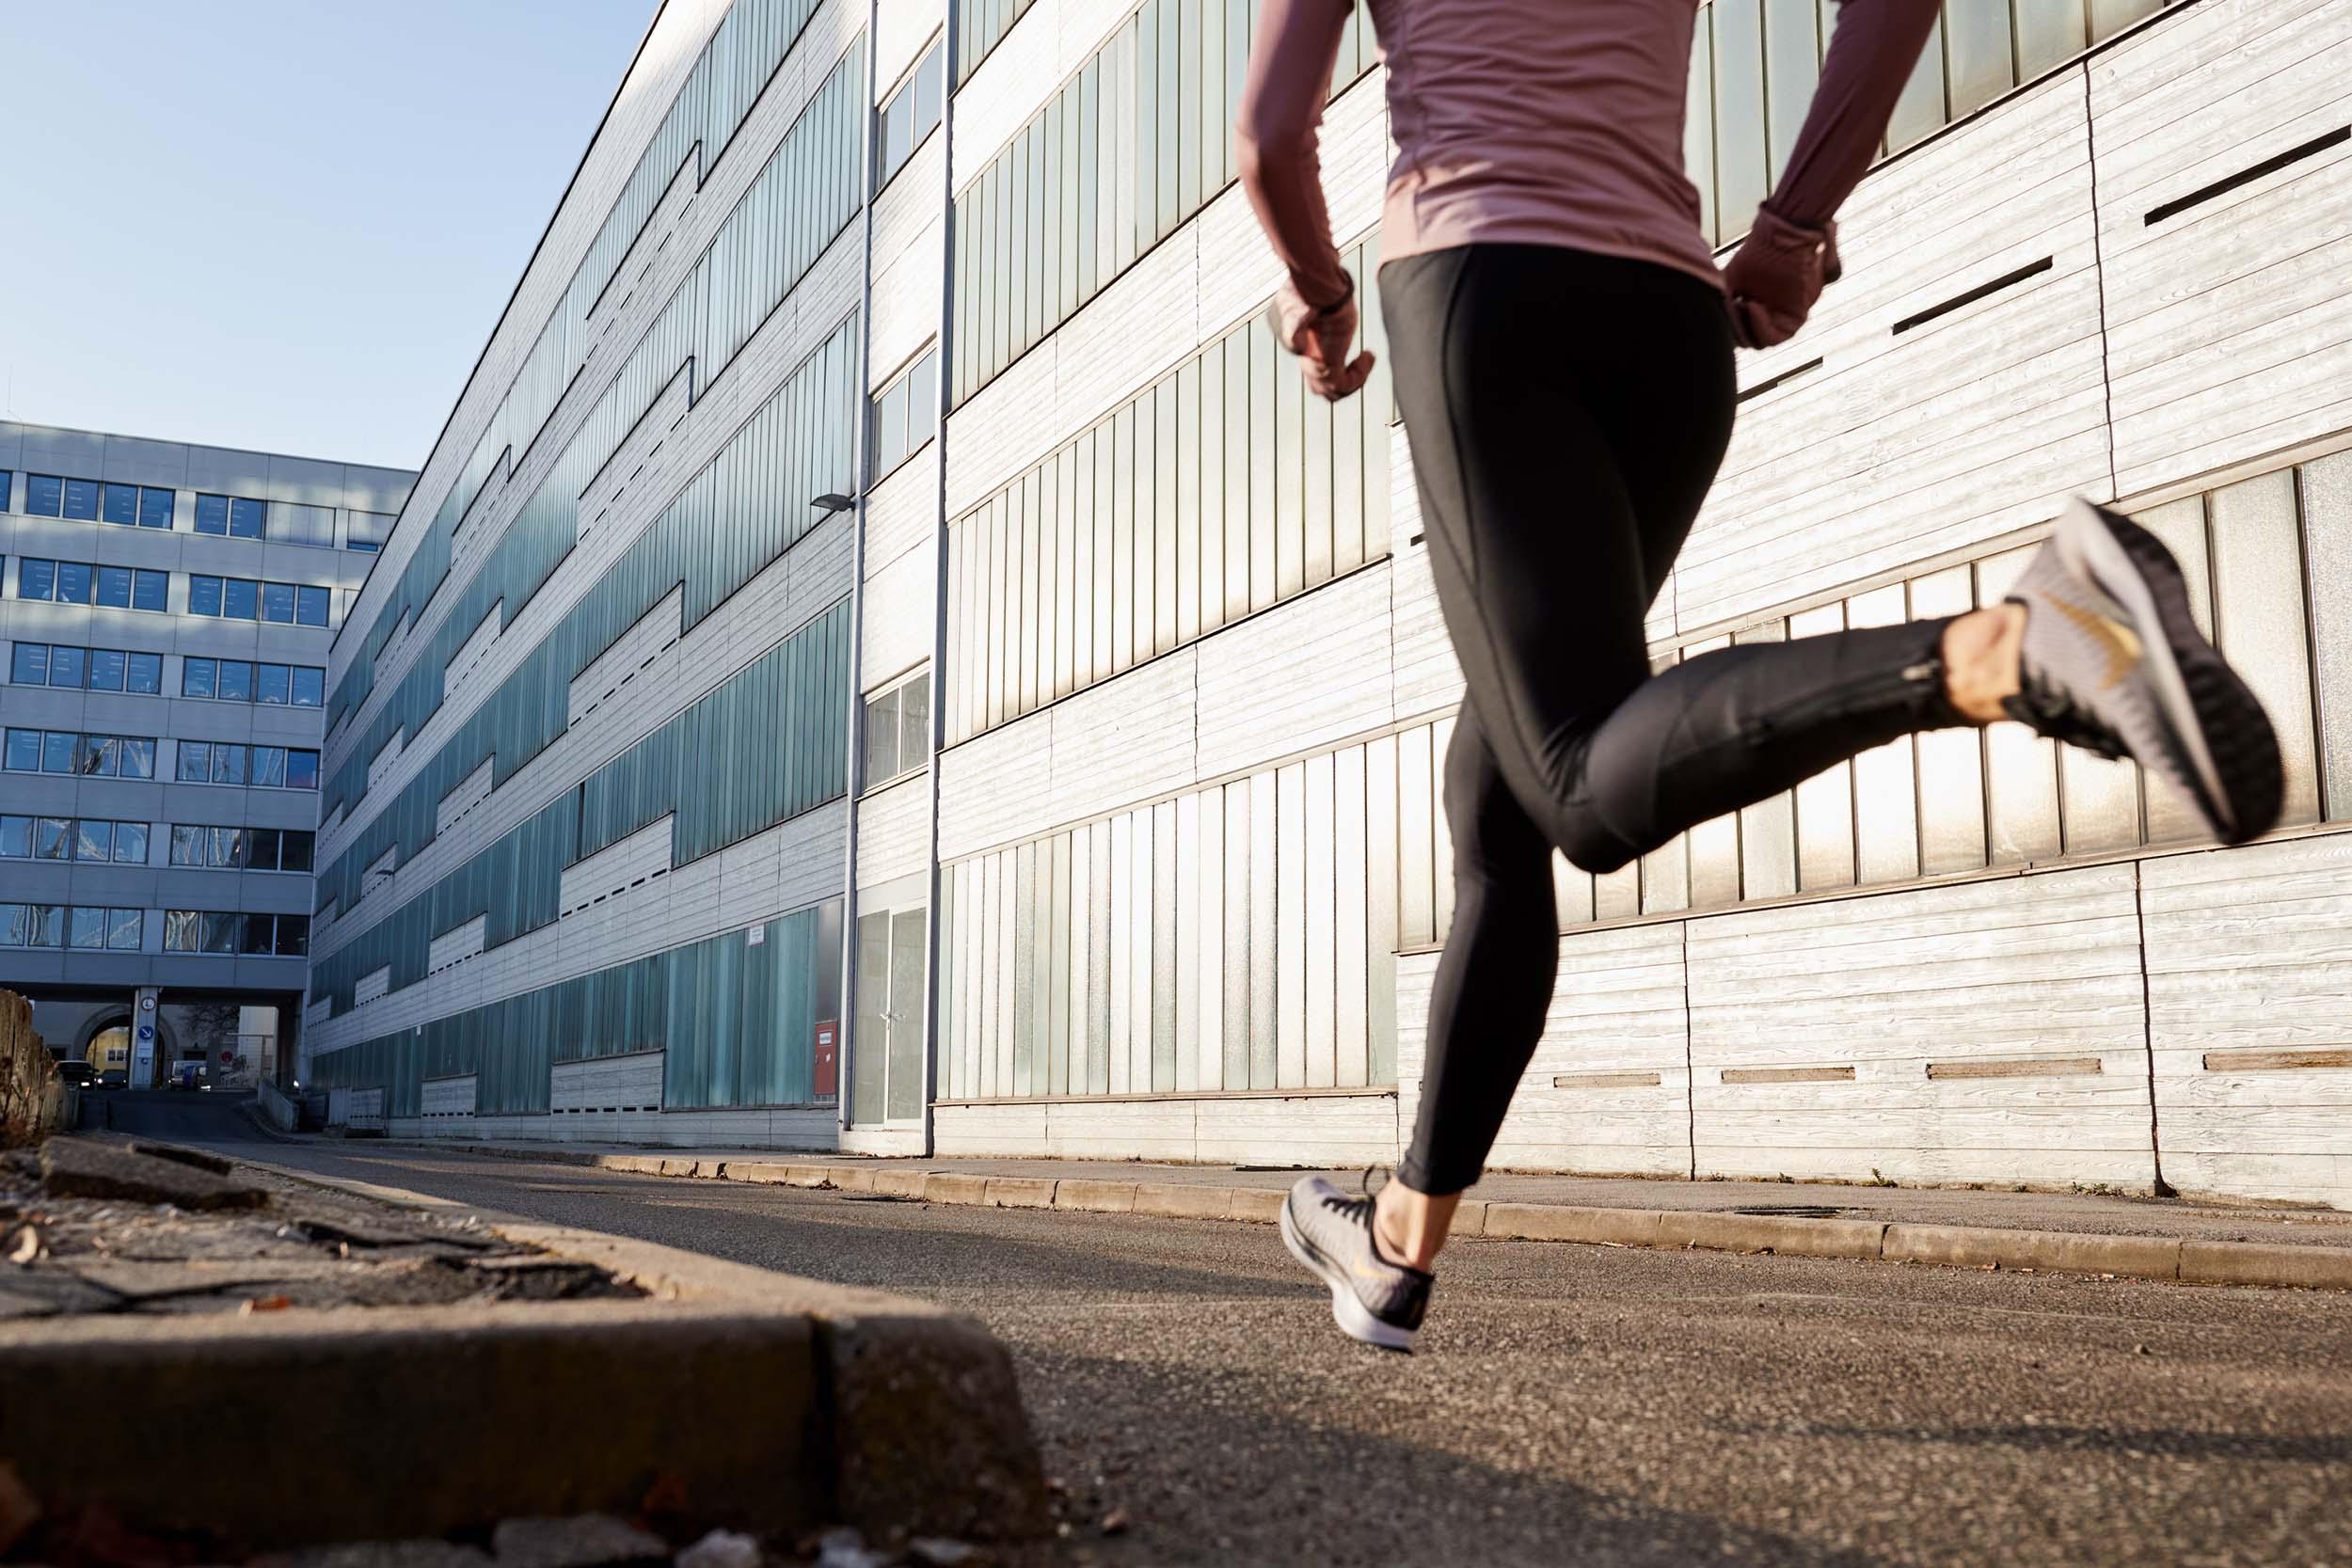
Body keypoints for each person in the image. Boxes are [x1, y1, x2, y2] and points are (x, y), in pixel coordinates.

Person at [1234, 0, 2284, 1353]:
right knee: (1496, 790)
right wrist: (1792, 230)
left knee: (1575, 787)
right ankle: (1396, 1242)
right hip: (1669, 328)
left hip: (1484, 292)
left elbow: (1271, 138)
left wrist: (1319, 303)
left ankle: (2014, 647)